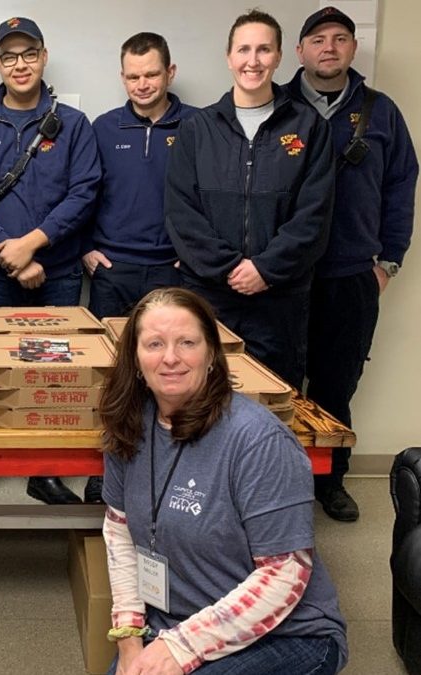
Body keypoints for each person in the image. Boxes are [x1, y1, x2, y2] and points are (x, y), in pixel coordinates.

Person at [99, 287, 347, 675]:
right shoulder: (129, 424)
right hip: (174, 622)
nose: (170, 358)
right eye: (154, 344)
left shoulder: (258, 440)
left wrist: (181, 648)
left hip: (287, 634)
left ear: (212, 354)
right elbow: (120, 533)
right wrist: (129, 636)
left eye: (187, 343)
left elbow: (285, 573)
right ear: (134, 357)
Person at [0, 16, 101, 506]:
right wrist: (10, 256)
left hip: (55, 274)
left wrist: (31, 243)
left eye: (28, 54)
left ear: (43, 57)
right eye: (9, 56)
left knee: (54, 378)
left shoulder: (72, 125)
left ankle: (45, 470)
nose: (20, 64)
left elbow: (84, 194)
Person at [286, 6, 418, 522]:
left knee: (335, 386)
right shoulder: (275, 107)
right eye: (318, 39)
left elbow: (400, 185)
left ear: (352, 49)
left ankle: (330, 482)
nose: (329, 47)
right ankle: (276, 484)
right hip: (283, 274)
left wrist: (387, 262)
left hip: (349, 275)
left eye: (341, 38)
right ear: (299, 51)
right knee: (278, 384)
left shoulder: (379, 111)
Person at [165, 9, 334, 391]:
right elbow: (181, 214)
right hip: (208, 296)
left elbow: (314, 217)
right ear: (229, 57)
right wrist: (227, 267)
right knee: (197, 399)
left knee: (273, 405)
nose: (252, 61)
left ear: (278, 57)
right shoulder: (197, 129)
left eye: (263, 50)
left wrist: (265, 270)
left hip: (279, 299)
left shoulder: (310, 128)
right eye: (244, 49)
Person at [81, 31, 197, 505]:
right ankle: (103, 473)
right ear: (122, 76)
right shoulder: (103, 128)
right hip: (113, 269)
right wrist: (87, 247)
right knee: (112, 377)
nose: (142, 84)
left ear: (170, 72)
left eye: (151, 74)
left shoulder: (199, 125)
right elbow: (83, 192)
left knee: (173, 380)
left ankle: (169, 473)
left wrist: (194, 252)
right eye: (133, 76)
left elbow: (208, 197)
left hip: (173, 274)